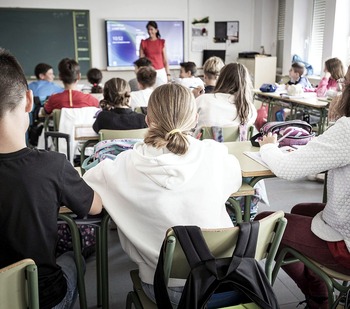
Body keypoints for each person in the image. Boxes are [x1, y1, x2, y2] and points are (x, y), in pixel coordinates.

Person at [83, 83, 242, 306]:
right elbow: (234, 181)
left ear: (147, 120)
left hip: (165, 290)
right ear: (195, 119)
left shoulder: (122, 166)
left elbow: (85, 186)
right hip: (225, 282)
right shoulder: (215, 154)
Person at [0, 48, 103, 309]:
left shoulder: (54, 101)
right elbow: (95, 207)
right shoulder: (52, 165)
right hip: (42, 297)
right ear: (28, 99)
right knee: (73, 255)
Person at [256, 77, 350, 308]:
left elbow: (287, 169)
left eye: (345, 83)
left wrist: (268, 146)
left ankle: (319, 297)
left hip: (346, 247)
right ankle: (318, 290)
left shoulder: (347, 129)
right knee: (300, 210)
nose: (339, 87)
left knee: (264, 222)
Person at [195, 62, 257, 138]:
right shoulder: (250, 108)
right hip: (238, 149)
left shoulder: (203, 100)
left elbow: (186, 125)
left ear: (221, 79)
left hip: (205, 149)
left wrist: (193, 99)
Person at [140, 21, 171, 86]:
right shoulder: (143, 42)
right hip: (149, 71)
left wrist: (168, 74)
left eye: (151, 29)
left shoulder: (161, 42)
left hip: (161, 71)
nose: (149, 31)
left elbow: (165, 60)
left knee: (163, 91)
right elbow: (141, 60)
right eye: (148, 29)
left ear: (156, 30)